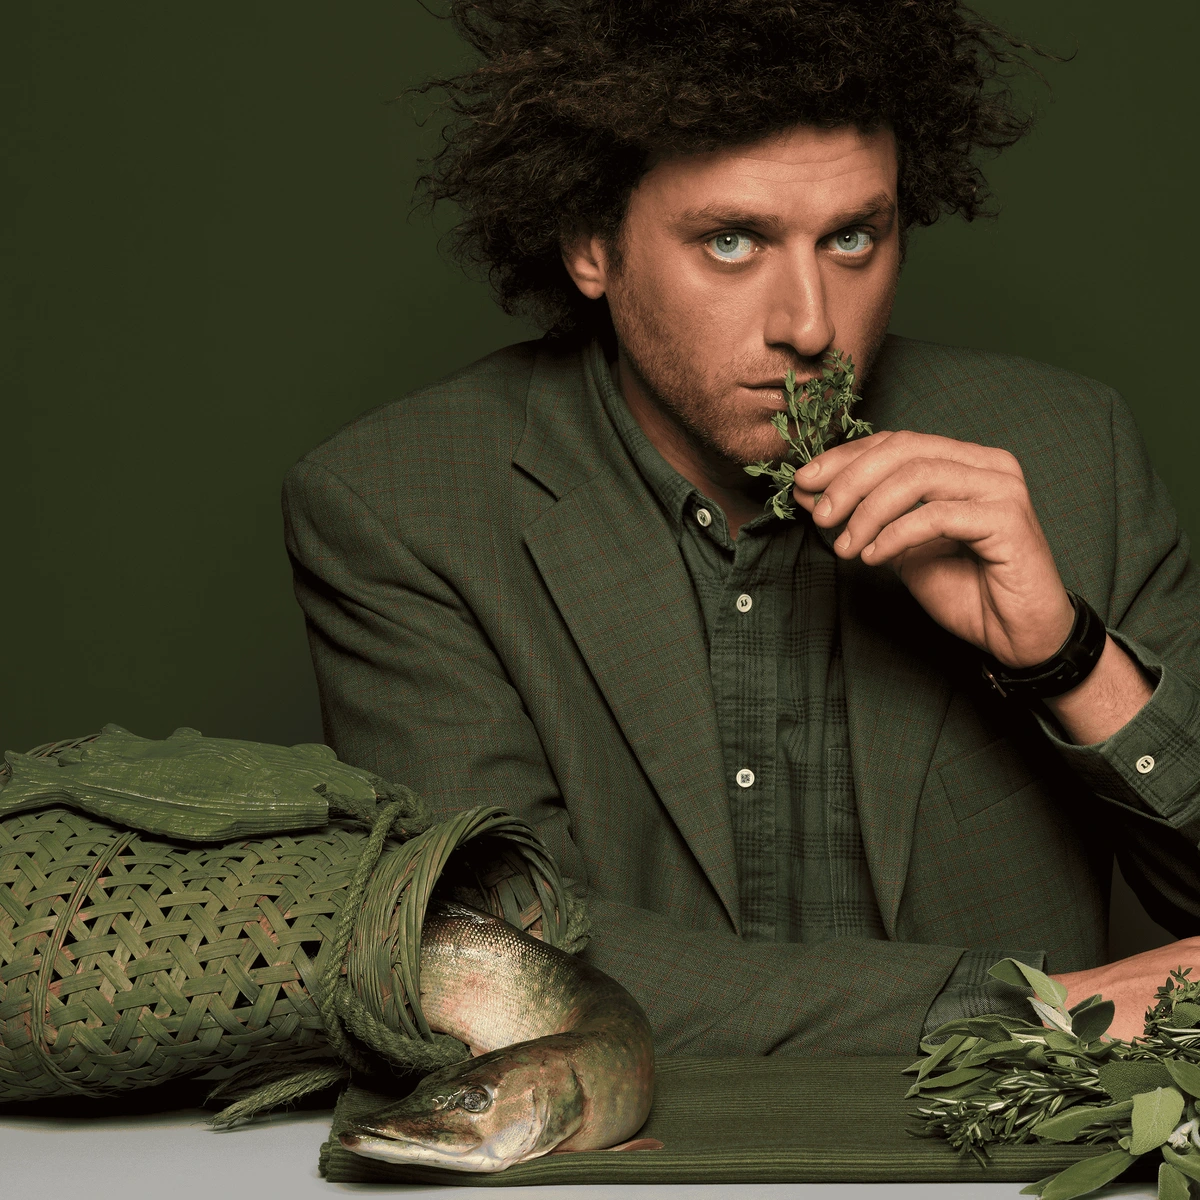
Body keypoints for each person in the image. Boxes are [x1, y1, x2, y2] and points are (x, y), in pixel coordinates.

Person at [283, 0, 1200, 1054]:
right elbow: (494, 962)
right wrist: (1032, 1009)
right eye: (731, 242)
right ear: (591, 244)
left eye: (852, 237)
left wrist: (1066, 659)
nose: (809, 324)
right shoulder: (399, 506)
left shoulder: (1070, 452)